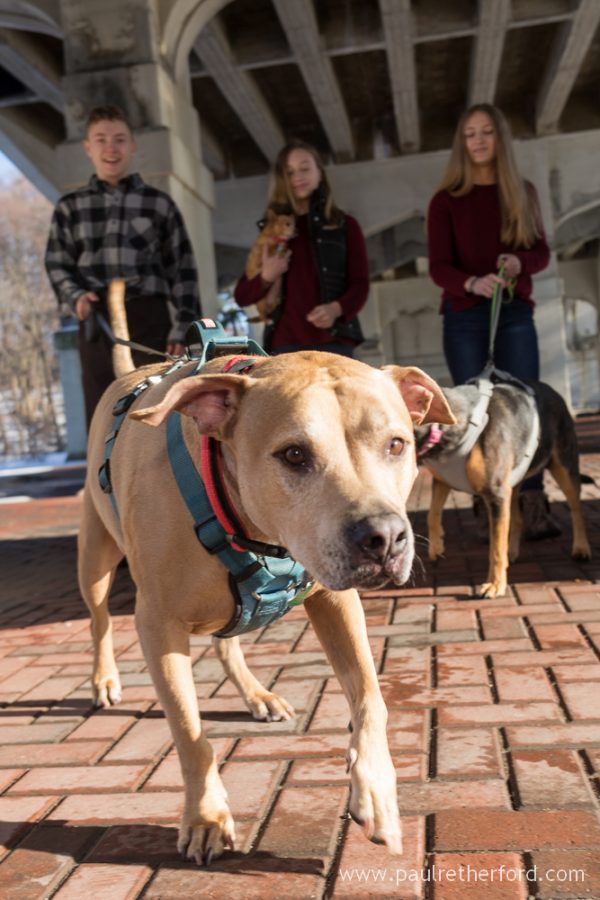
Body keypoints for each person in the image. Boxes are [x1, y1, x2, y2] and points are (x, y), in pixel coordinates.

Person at [427, 102, 559, 540]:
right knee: (477, 415)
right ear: (462, 144)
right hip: (465, 317)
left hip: (515, 312)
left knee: (526, 407)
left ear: (499, 139)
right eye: (471, 134)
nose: (479, 140)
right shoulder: (445, 201)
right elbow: (438, 267)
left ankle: (535, 508)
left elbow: (541, 252)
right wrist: (470, 283)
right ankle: (491, 508)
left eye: (487, 132)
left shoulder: (521, 191)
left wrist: (519, 263)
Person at [45, 105, 201, 428]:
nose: (110, 148)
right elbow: (57, 264)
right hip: (97, 321)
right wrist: (75, 296)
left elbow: (183, 270)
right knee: (102, 414)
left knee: (154, 412)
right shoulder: (69, 208)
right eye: (100, 140)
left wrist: (182, 327)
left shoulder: (160, 204)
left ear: (133, 145)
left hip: (150, 321)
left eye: (119, 139)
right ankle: (103, 479)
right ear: (88, 148)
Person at [234, 139, 369, 357]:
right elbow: (241, 295)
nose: (298, 177)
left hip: (335, 340)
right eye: (290, 172)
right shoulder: (272, 232)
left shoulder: (346, 225)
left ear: (320, 172)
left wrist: (336, 309)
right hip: (285, 345)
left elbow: (360, 285)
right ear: (282, 180)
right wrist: (266, 277)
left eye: (305, 168)